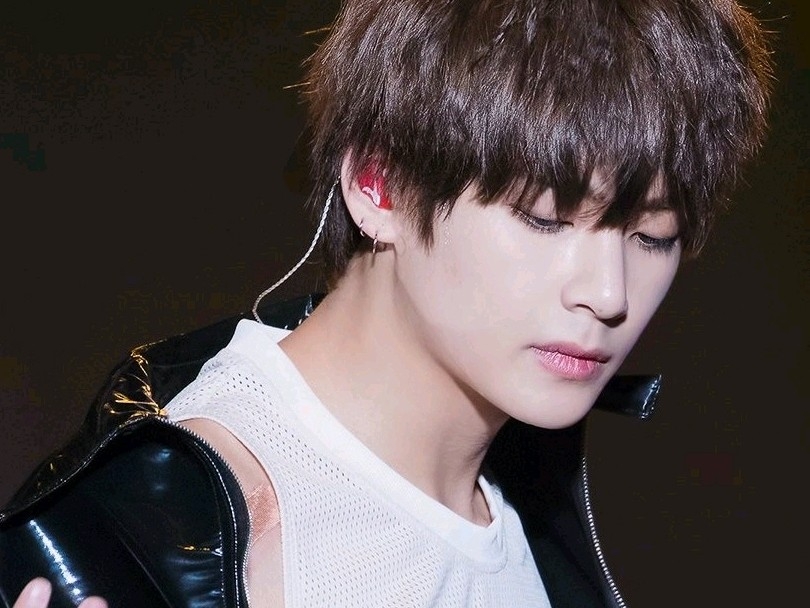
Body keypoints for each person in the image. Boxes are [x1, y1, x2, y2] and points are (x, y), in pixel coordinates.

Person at [3, 0, 773, 606]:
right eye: (546, 219)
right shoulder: (221, 523)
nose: (609, 294)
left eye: (653, 235)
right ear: (379, 185)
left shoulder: (529, 482)